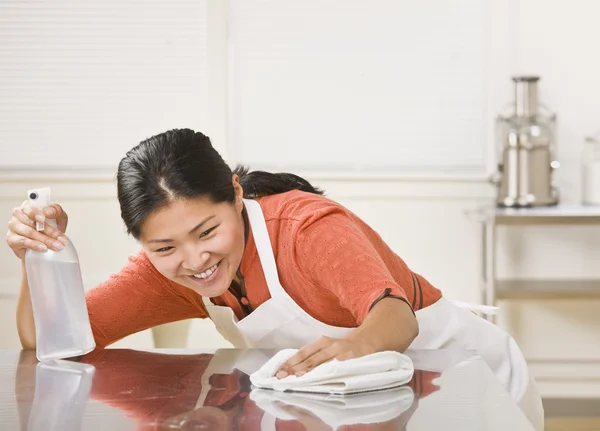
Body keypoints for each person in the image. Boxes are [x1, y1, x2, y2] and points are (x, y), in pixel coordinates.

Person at [5, 128, 543, 428]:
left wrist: (348, 348)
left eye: (207, 231)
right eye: (164, 247)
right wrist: (37, 255)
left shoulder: (306, 228)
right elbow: (54, 339)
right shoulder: (164, 273)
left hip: (467, 385)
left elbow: (394, 318)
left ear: (236, 195)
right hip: (372, 402)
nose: (193, 261)